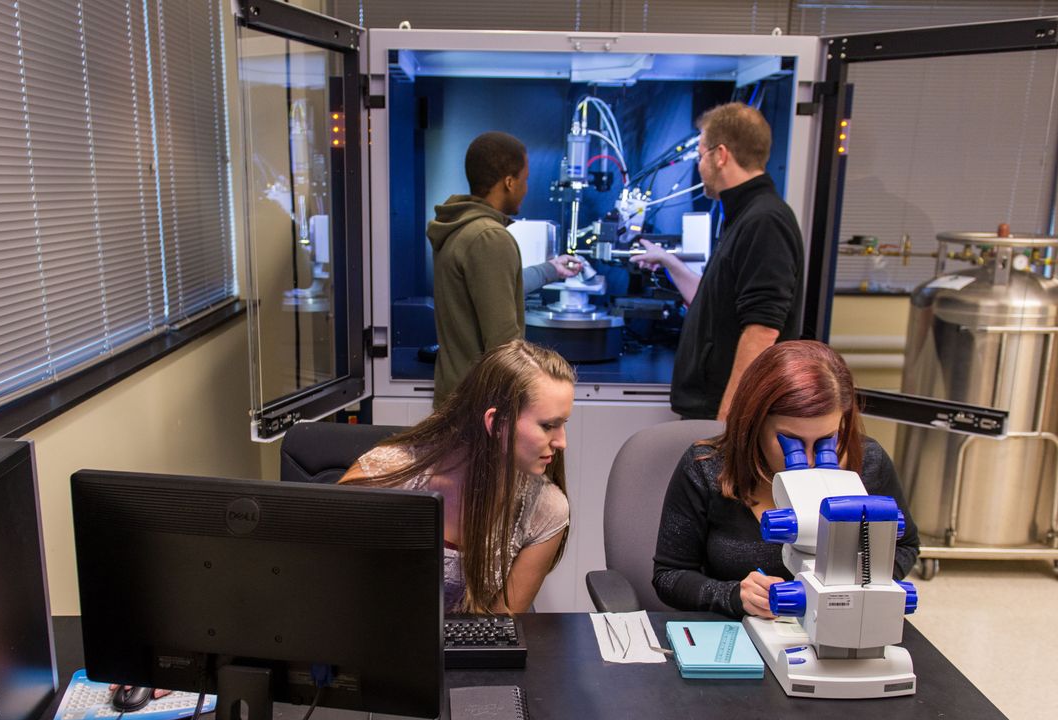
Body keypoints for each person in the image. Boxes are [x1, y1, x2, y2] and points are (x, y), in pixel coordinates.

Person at [652, 340, 920, 619]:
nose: (810, 458)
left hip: (841, 624)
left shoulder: (868, 462)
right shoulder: (706, 467)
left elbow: (906, 545)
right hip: (739, 634)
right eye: (790, 441)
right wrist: (734, 596)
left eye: (826, 441)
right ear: (754, 425)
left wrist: (861, 582)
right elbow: (669, 576)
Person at [339, 340, 574, 614]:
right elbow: (324, 579)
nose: (561, 442)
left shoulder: (546, 510)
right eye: (548, 426)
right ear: (496, 424)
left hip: (468, 653)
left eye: (562, 424)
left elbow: (497, 628)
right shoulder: (386, 474)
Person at [631, 103, 803, 421]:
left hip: (724, 415)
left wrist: (729, 420)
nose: (699, 165)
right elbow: (714, 302)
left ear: (720, 155)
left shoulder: (764, 220)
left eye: (700, 154)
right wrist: (670, 263)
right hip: (709, 410)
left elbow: (763, 329)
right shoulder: (743, 217)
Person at [429, 131, 581, 403]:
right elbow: (505, 345)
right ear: (509, 182)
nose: (526, 187)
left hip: (457, 397)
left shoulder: (461, 228)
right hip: (482, 407)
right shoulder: (490, 237)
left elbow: (493, 289)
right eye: (525, 179)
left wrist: (550, 269)